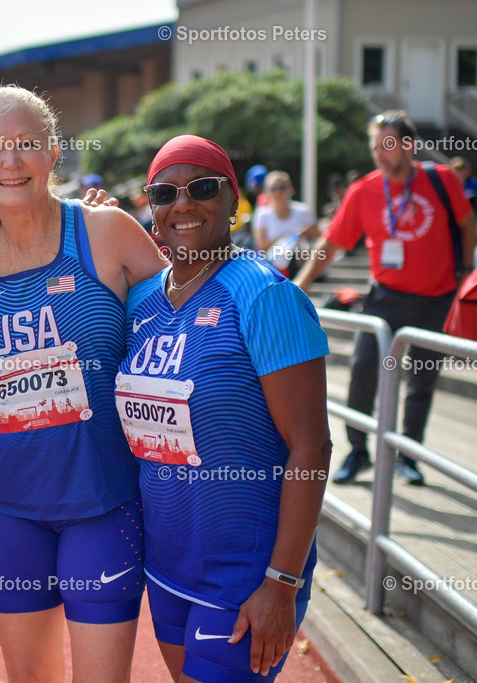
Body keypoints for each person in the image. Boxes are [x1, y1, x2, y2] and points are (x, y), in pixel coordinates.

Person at [0, 85, 168, 681]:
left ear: (53, 152)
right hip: (9, 506)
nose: (9, 162)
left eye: (25, 145)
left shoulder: (106, 233)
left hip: (103, 500)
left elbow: (188, 317)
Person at [116, 134, 330, 681]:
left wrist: (282, 581)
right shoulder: (140, 300)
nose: (182, 204)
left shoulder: (265, 295)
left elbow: (312, 445)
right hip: (166, 566)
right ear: (151, 208)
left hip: (245, 575)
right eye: (165, 192)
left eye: (203, 188)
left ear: (235, 201)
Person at [295, 110, 476, 486]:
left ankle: (408, 455)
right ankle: (358, 450)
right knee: (362, 368)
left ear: (408, 146)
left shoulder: (441, 179)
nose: (379, 154)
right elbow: (332, 243)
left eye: (387, 146)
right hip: (386, 298)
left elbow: (467, 224)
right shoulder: (364, 190)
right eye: (375, 146)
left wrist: (463, 271)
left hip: (436, 298)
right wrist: (302, 283)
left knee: (421, 380)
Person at [252, 171, 319, 277]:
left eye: (282, 187)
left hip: (299, 264)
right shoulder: (262, 214)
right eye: (273, 188)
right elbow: (262, 246)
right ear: (267, 192)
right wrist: (291, 236)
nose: (278, 192)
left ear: (290, 189)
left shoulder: (304, 211)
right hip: (272, 268)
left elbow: (318, 240)